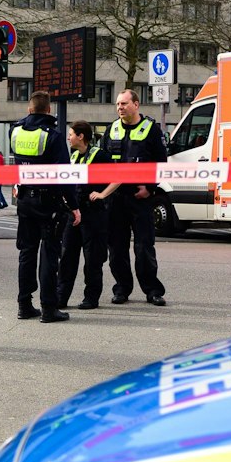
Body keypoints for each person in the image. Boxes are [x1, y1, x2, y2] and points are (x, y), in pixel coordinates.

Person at [9, 95, 80, 323]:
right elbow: (64, 175)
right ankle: (49, 308)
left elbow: (17, 164)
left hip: (25, 199)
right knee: (49, 254)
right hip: (48, 201)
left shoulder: (16, 131)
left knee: (26, 253)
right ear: (49, 109)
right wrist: (74, 206)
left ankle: (24, 304)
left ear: (29, 108)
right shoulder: (53, 136)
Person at [97, 89, 167, 306]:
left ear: (136, 104)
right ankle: (122, 289)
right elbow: (101, 163)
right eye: (118, 104)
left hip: (140, 197)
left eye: (124, 103)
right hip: (116, 198)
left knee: (144, 246)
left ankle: (152, 290)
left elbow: (160, 163)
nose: (120, 108)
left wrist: (151, 189)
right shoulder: (111, 130)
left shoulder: (151, 130)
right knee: (117, 249)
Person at [56, 120, 109, 311]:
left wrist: (103, 194)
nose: (69, 137)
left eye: (71, 134)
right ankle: (61, 297)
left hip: (93, 214)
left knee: (92, 258)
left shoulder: (100, 155)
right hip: (74, 212)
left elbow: (119, 176)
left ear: (81, 136)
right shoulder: (73, 156)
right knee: (67, 256)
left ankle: (91, 298)